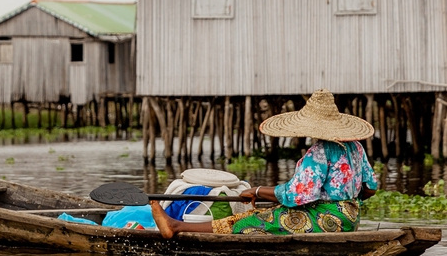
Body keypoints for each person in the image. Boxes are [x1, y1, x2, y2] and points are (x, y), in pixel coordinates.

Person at [151, 89, 378, 238]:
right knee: (270, 213)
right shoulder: (355, 147)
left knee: (248, 220)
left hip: (325, 221)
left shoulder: (319, 151)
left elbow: (298, 195)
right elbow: (370, 189)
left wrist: (258, 191)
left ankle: (177, 226)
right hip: (349, 219)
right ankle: (177, 226)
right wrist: (344, 201)